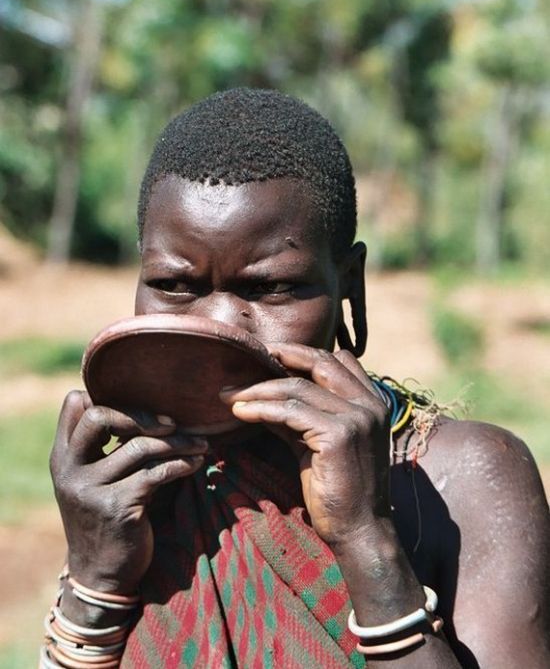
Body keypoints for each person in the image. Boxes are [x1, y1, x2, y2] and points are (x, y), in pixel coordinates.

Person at [43, 88, 550, 668]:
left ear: (349, 283)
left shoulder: (461, 476)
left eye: (271, 288)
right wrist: (95, 577)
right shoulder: (142, 477)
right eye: (174, 286)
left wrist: (364, 535)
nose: (220, 327)